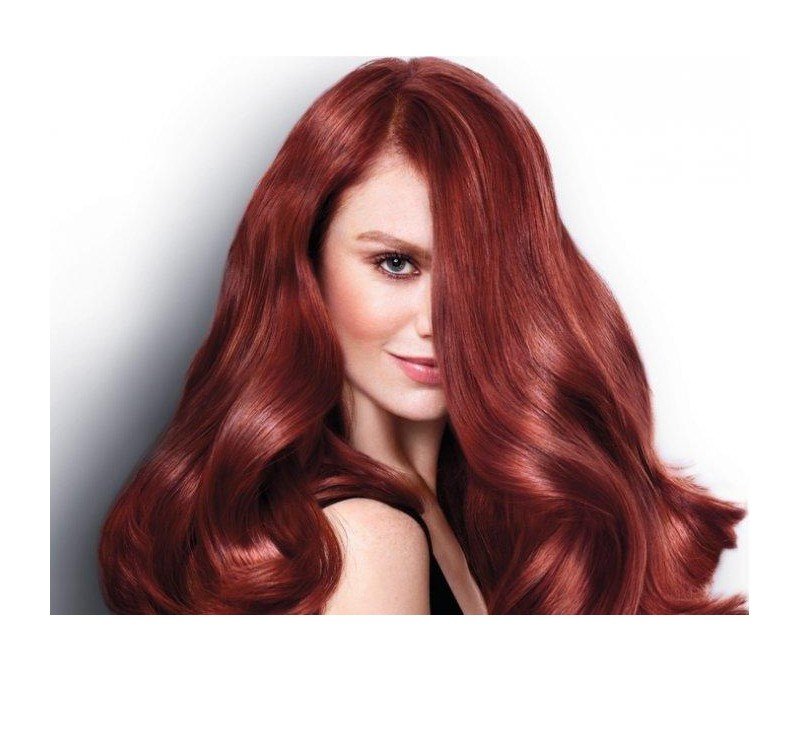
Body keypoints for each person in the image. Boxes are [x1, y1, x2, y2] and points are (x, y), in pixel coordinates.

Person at [98, 57, 748, 614]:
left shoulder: (453, 517)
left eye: (477, 273)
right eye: (395, 263)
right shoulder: (368, 540)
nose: (438, 321)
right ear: (306, 262)